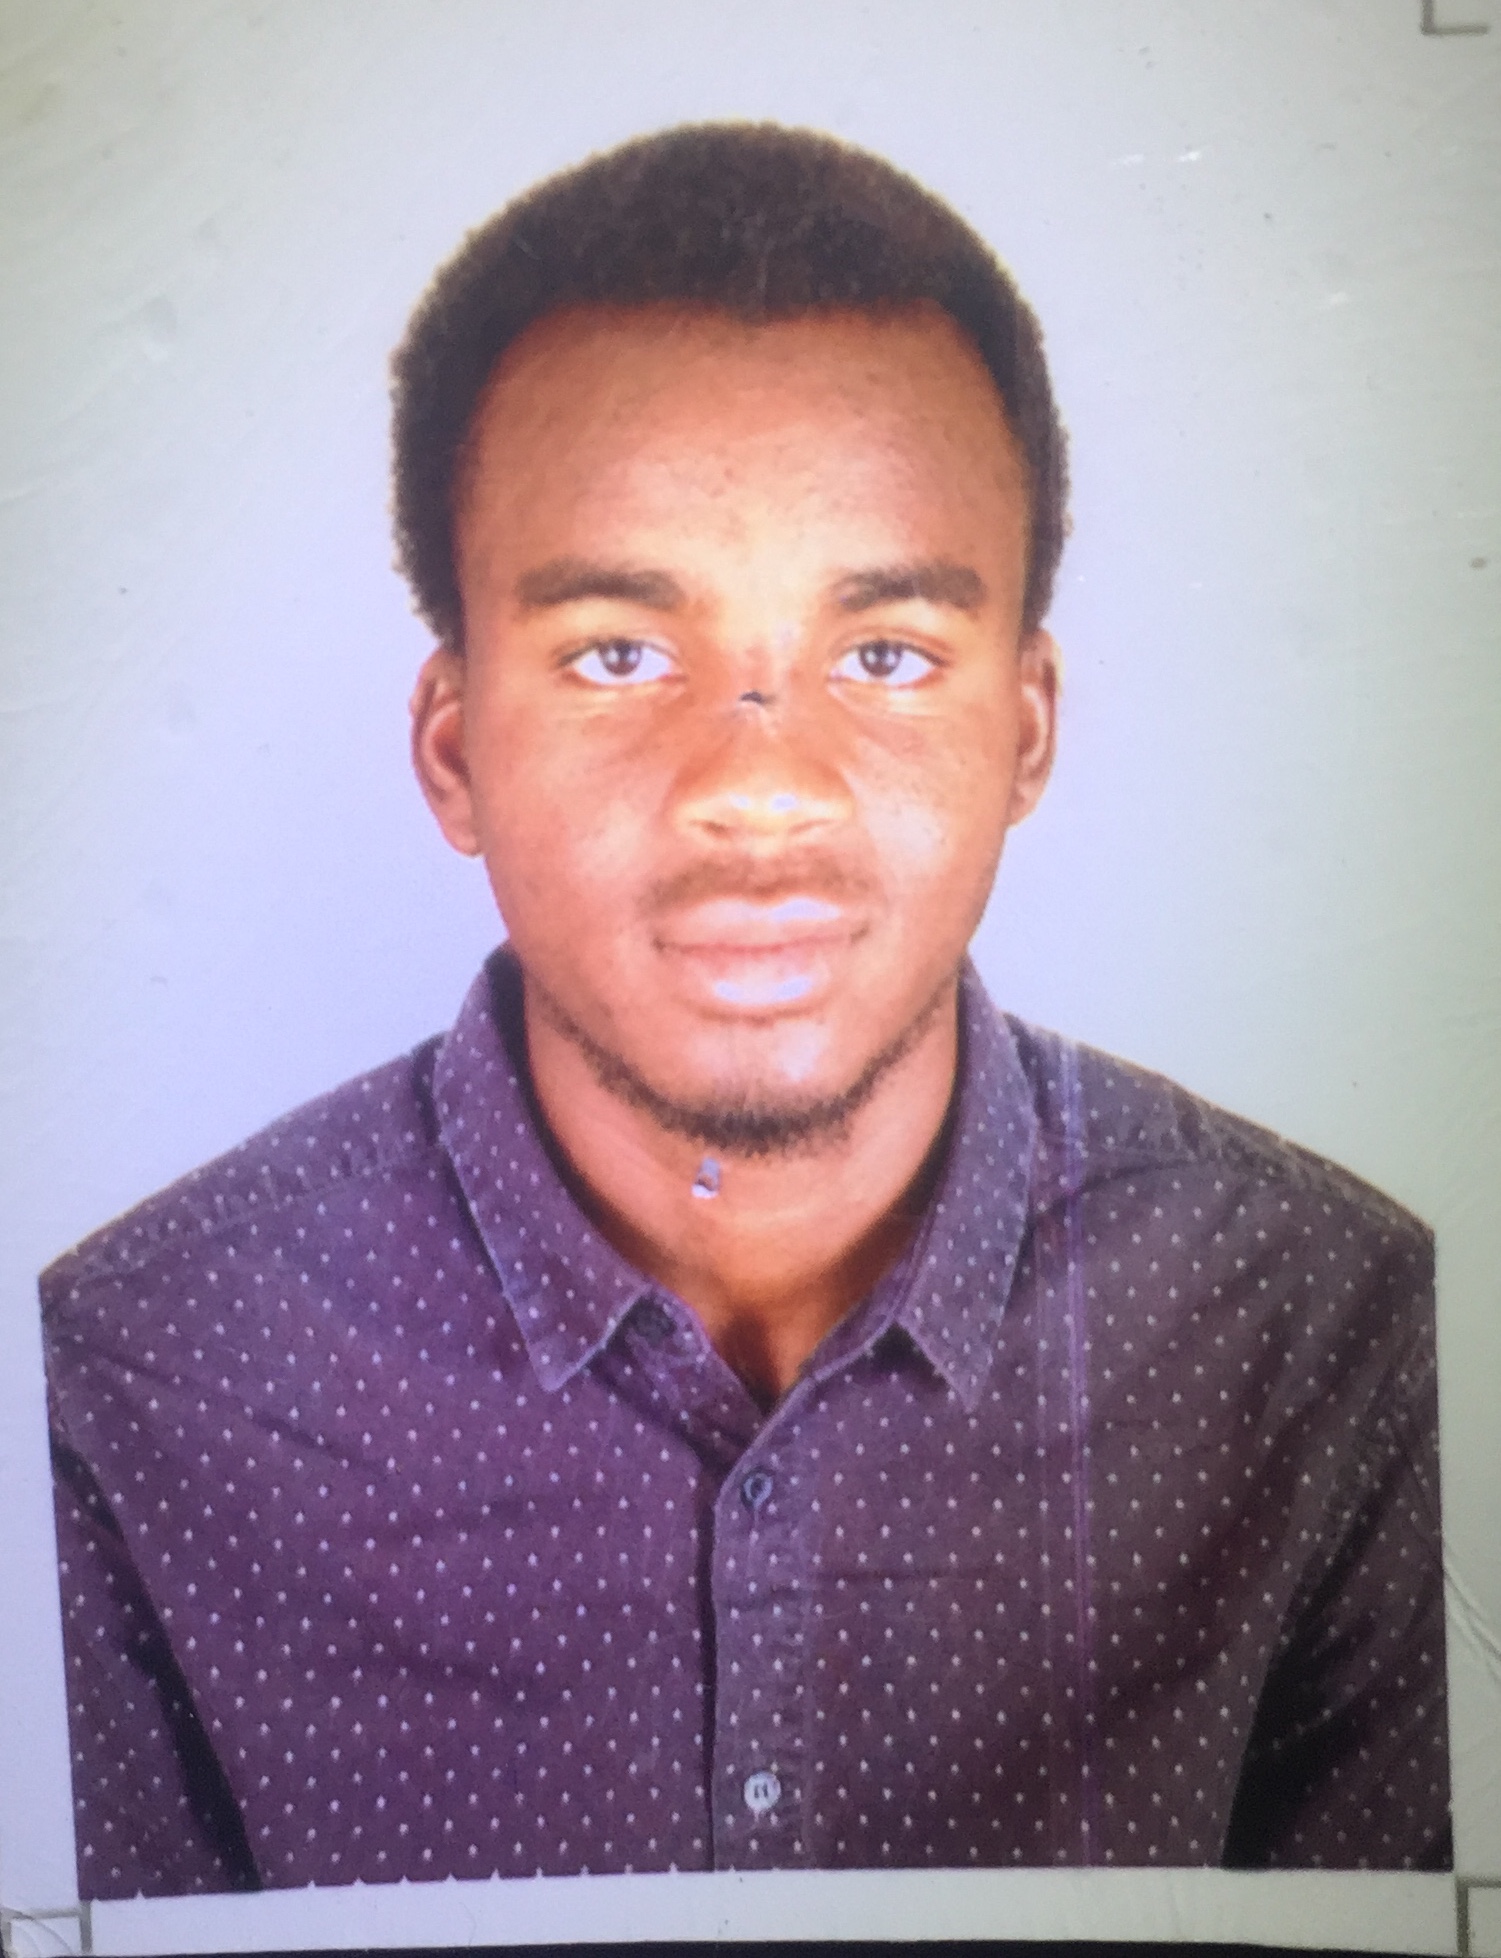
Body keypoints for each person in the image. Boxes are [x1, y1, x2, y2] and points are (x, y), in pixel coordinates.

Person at [40, 123, 1449, 1898]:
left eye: (886, 656)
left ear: (1023, 732)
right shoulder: (133, 1377)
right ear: (454, 749)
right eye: (620, 653)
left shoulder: (1328, 1338)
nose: (759, 788)